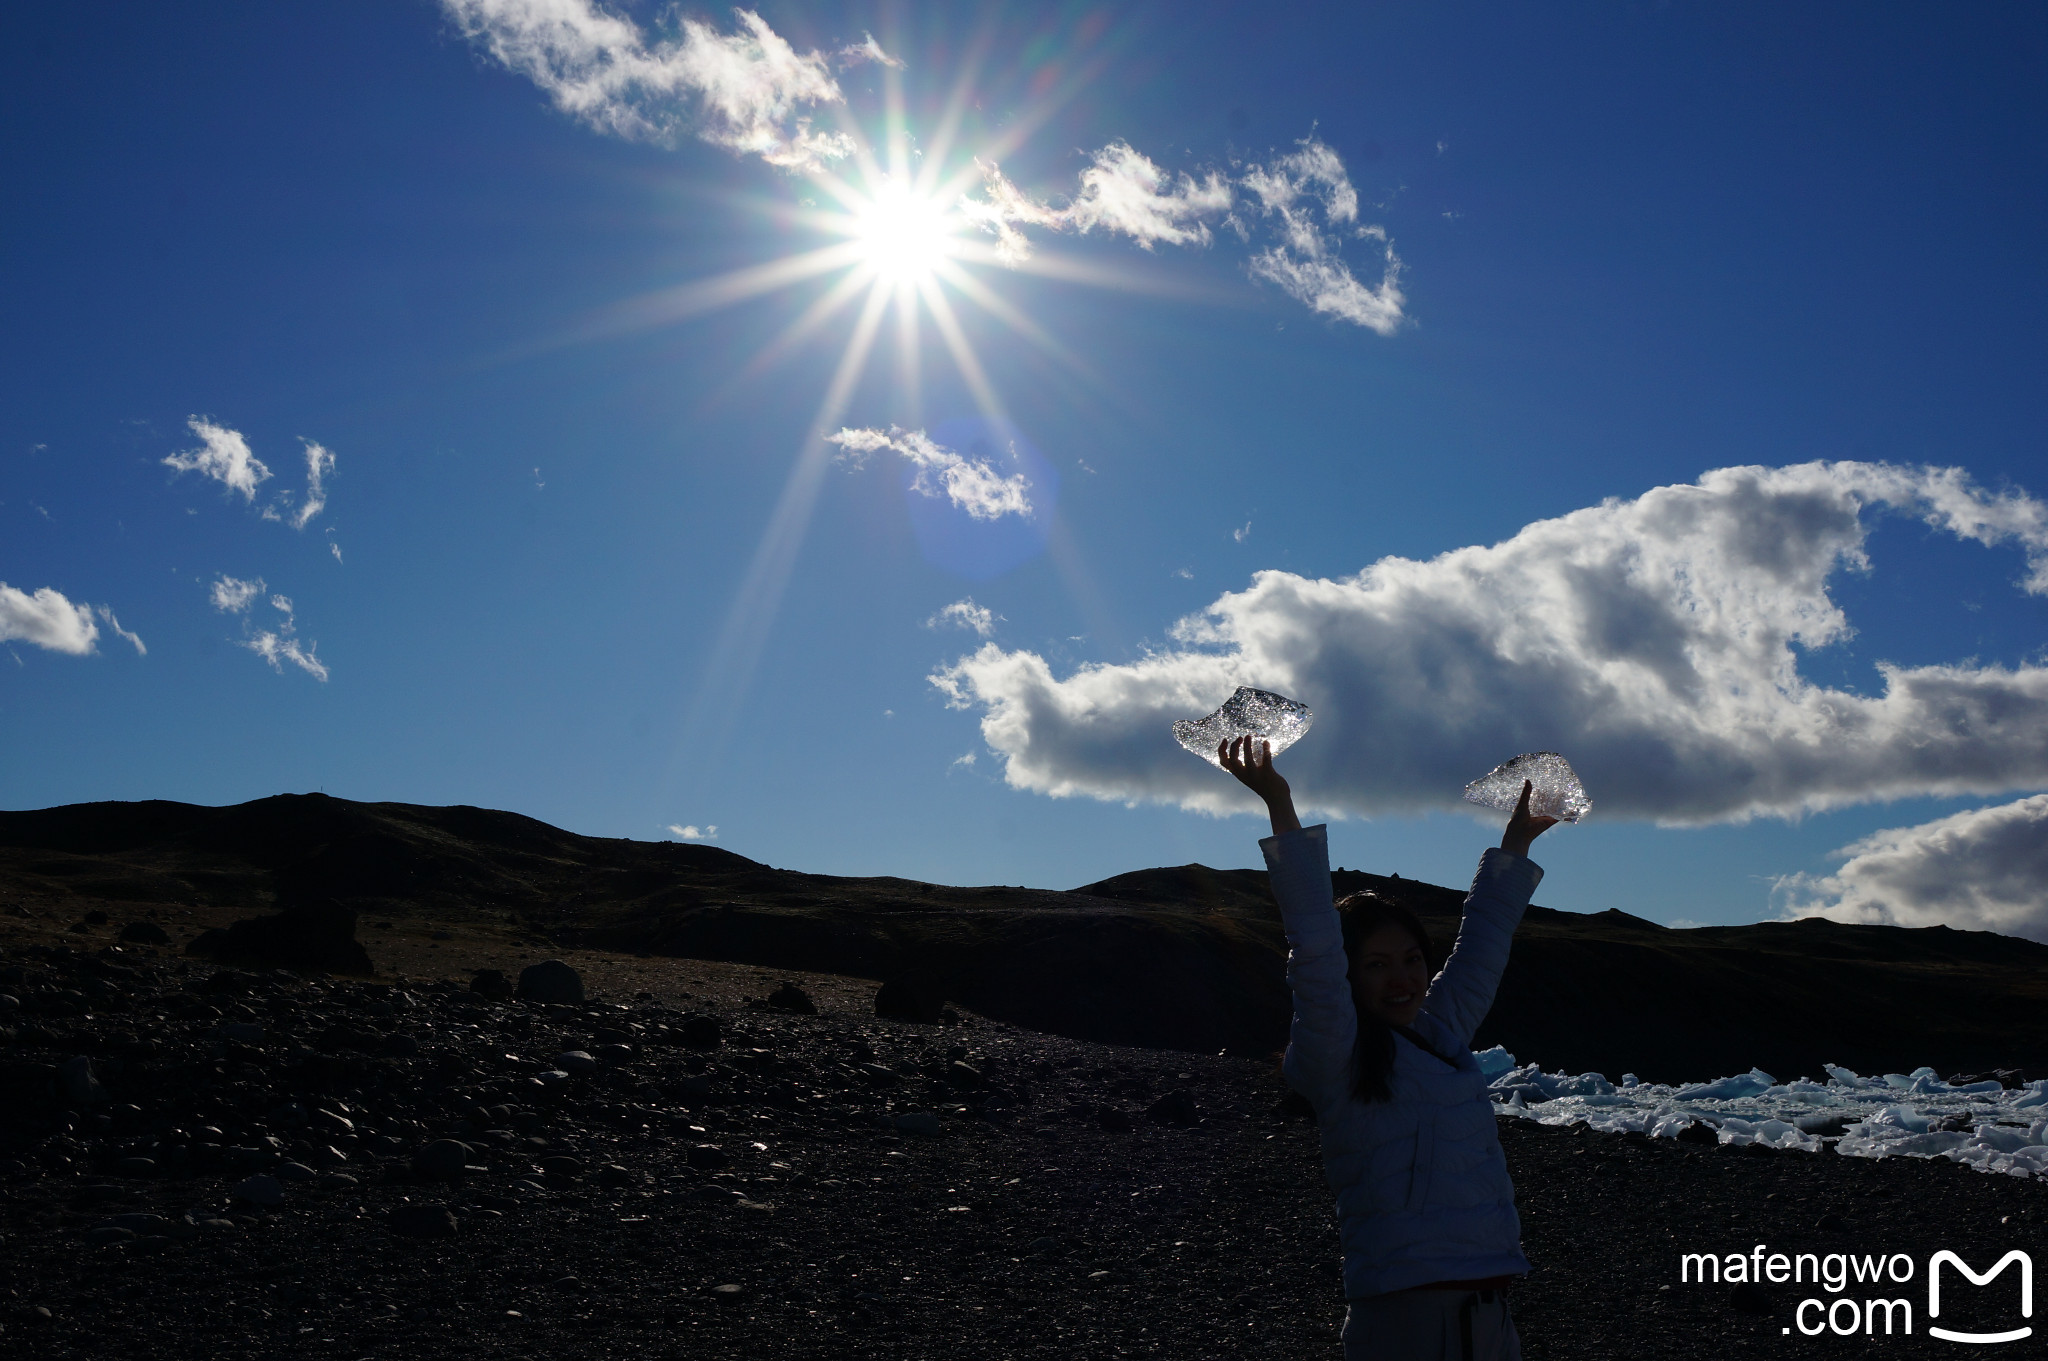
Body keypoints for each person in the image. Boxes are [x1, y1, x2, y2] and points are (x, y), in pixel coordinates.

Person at [1217, 735, 1557, 1361]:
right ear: (1349, 978)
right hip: (1408, 1320)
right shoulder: (1336, 1055)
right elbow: (1315, 943)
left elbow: (1482, 945)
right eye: (1376, 964)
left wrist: (1516, 846)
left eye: (1410, 959)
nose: (1401, 978)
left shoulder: (1440, 1033)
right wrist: (1280, 806)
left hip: (1490, 1313)